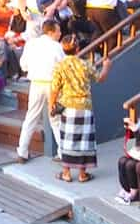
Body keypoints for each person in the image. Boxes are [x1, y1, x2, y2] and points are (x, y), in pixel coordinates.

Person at [50, 40, 114, 183]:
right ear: (77, 48)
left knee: (67, 141)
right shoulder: (84, 64)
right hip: (84, 108)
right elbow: (100, 78)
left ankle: (66, 173)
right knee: (84, 142)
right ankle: (82, 174)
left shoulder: (59, 66)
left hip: (68, 108)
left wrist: (51, 106)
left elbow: (54, 90)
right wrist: (106, 66)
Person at [16, 19, 66, 163]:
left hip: (36, 83)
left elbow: (23, 66)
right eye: (58, 31)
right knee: (55, 119)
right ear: (51, 32)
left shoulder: (31, 44)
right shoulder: (57, 46)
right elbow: (63, 67)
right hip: (53, 85)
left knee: (31, 117)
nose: (60, 33)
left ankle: (22, 151)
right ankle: (62, 152)